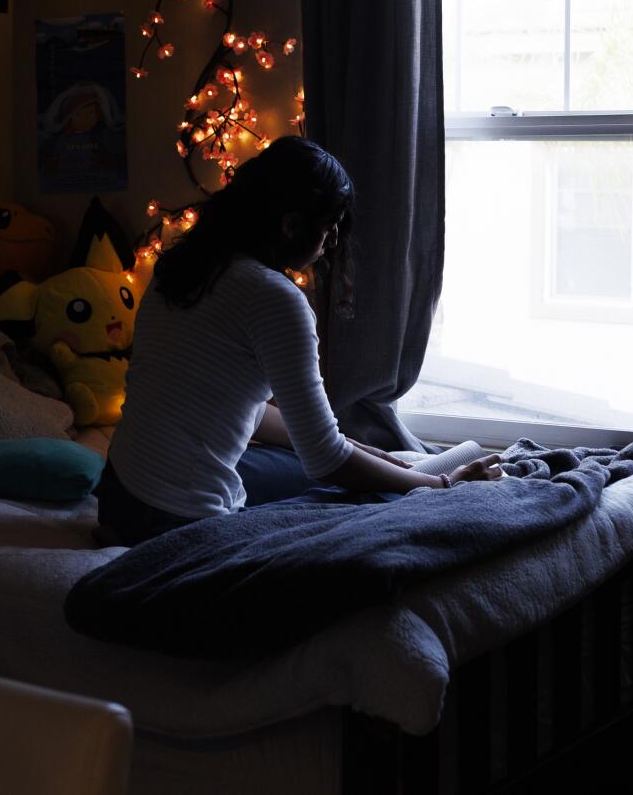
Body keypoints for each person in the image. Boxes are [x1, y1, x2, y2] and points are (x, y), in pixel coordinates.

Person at [99, 136, 502, 545]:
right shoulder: (274, 298)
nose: (330, 244)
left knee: (295, 464)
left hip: (117, 499)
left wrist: (373, 451)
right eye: (328, 229)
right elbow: (325, 459)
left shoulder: (180, 267)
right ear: (290, 225)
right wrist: (442, 486)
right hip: (173, 522)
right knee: (375, 498)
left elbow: (244, 410)